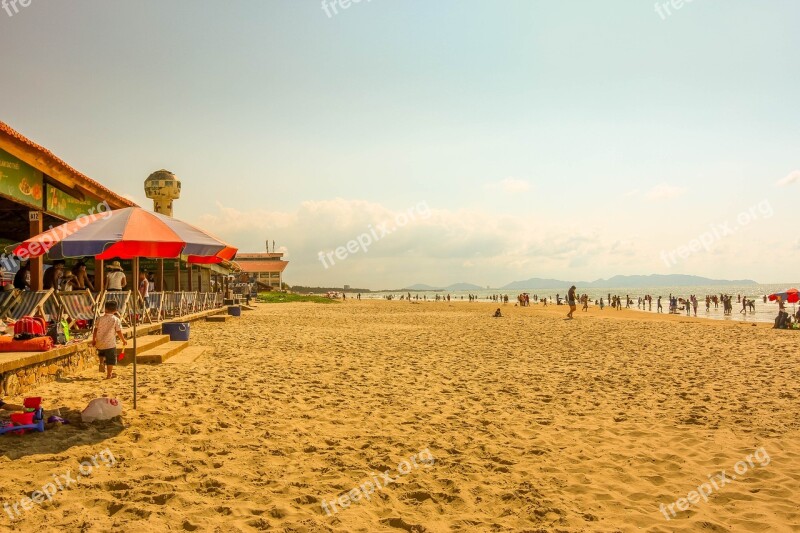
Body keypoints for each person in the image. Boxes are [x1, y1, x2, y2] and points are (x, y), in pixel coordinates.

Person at [91, 300, 127, 379]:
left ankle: (101, 362)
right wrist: (123, 340)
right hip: (110, 343)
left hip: (99, 342)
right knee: (110, 360)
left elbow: (95, 330)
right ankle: (109, 374)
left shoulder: (100, 318)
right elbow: (118, 331)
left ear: (105, 309)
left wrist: (94, 340)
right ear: (115, 310)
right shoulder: (115, 319)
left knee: (102, 353)